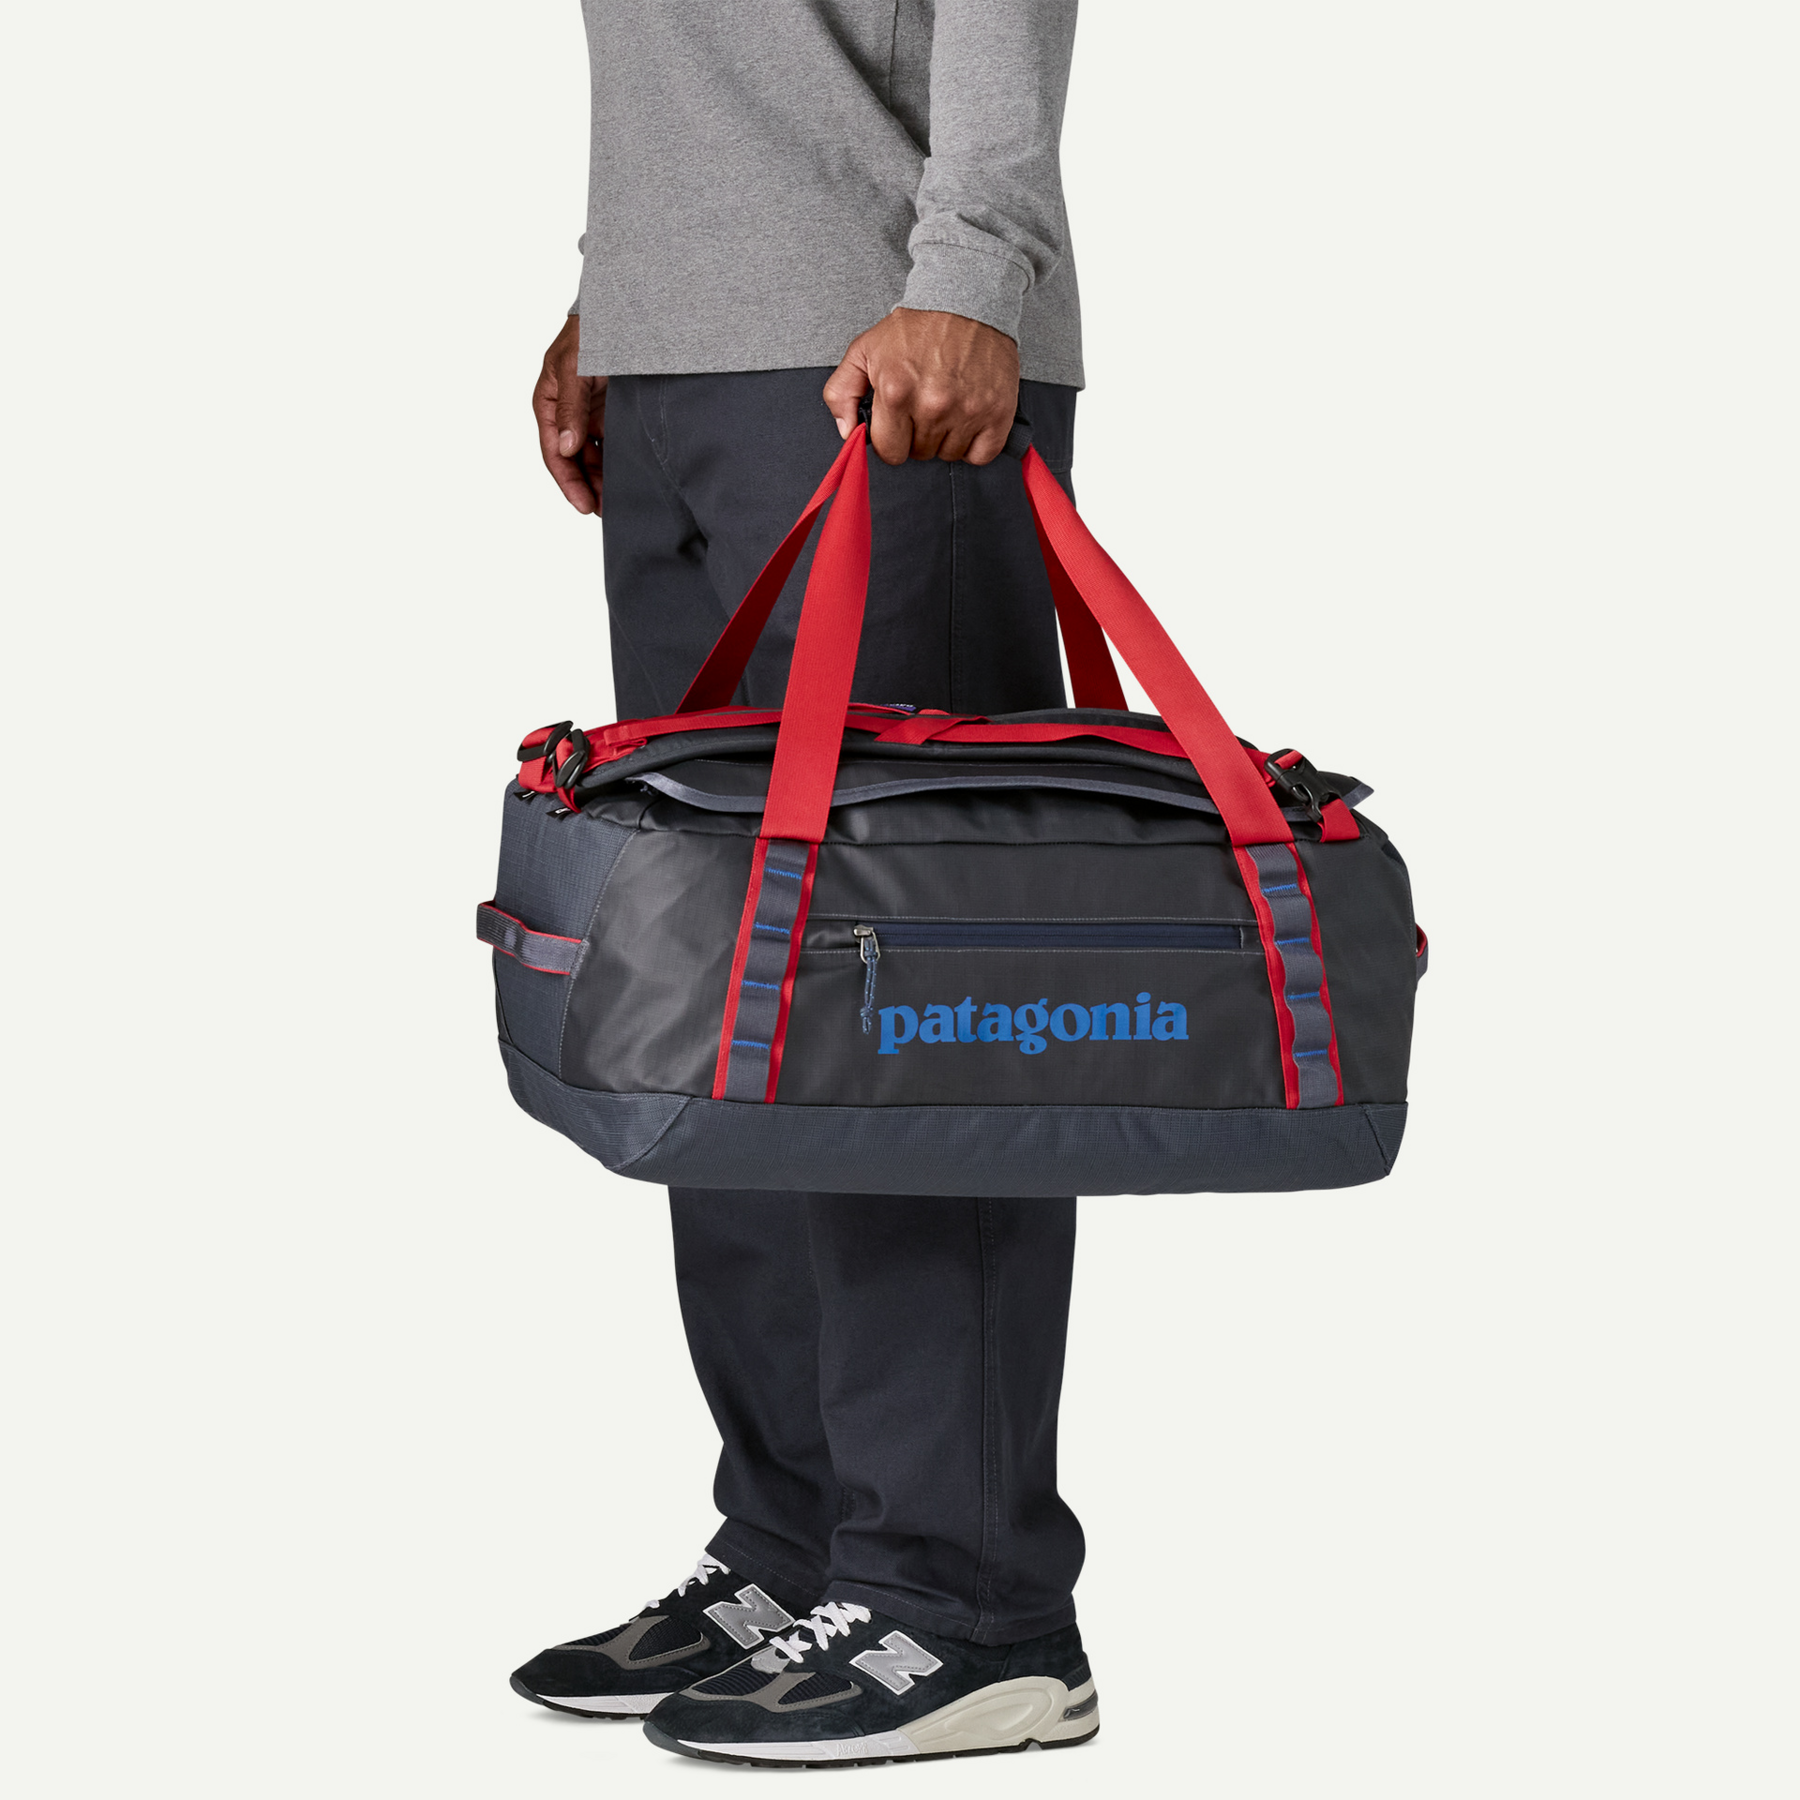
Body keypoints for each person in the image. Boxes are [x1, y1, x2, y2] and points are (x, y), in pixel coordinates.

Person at [508, 0, 1098, 1767]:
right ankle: (798, 1556)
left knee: (900, 995)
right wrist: (620, 295)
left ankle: (972, 1607)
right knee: (729, 993)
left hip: (887, 346)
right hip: (685, 364)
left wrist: (977, 269)